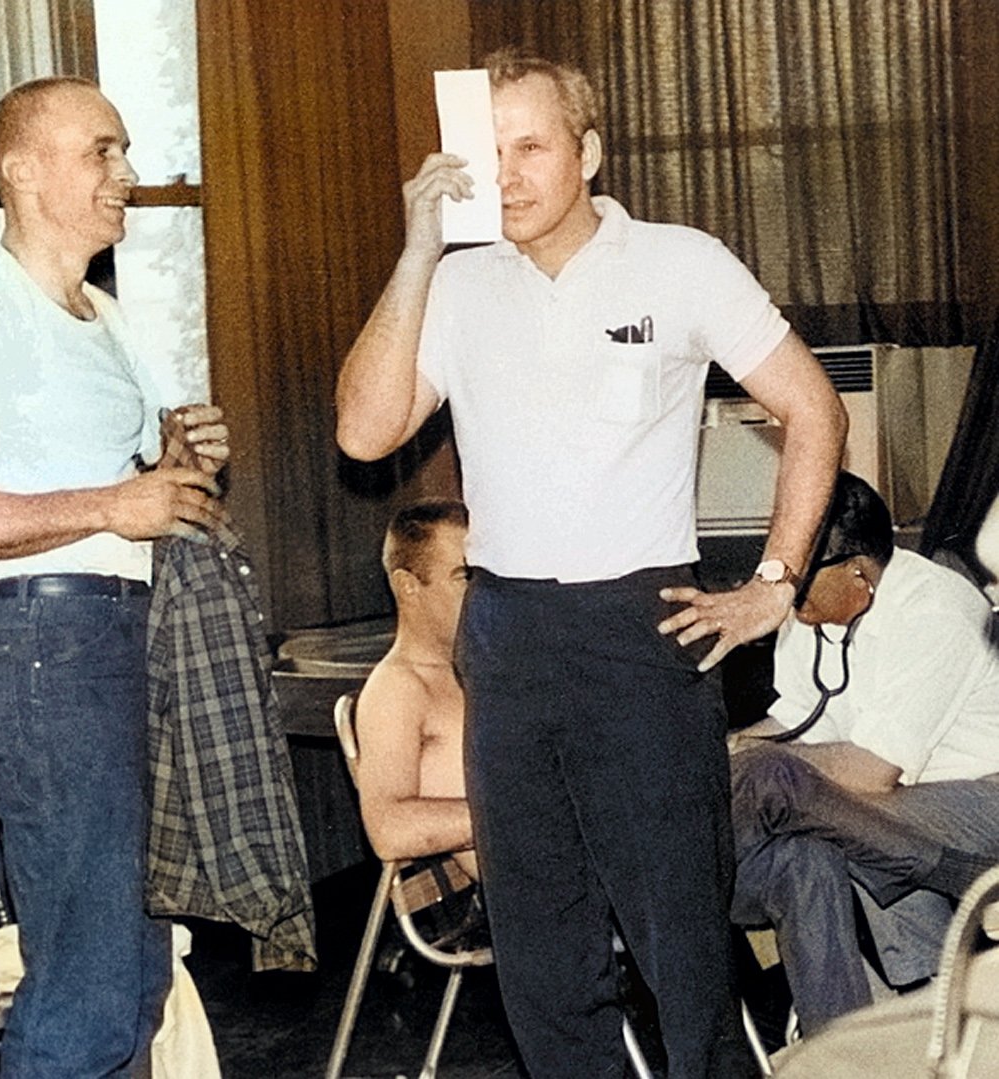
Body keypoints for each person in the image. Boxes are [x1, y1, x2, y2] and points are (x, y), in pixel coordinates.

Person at [335, 46, 848, 1077]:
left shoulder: (681, 261)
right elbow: (363, 430)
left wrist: (774, 586)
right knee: (543, 957)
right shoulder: (459, 285)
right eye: (490, 150)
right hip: (510, 635)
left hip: (640, 632)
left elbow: (814, 408)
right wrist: (414, 254)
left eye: (532, 146)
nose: (510, 173)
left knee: (683, 950)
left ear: (591, 153)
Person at [0, 76, 228, 1077]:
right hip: (49, 658)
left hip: (128, 646)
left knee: (134, 980)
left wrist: (176, 462)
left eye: (123, 152)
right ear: (20, 170)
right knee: (82, 989)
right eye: (102, 151)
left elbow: (131, 496)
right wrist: (111, 504)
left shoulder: (105, 319)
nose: (126, 174)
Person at [728, 471, 999, 1035]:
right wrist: (736, 746)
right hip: (896, 818)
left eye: (798, 581)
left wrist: (752, 767)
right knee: (803, 849)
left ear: (858, 572)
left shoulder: (936, 609)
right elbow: (799, 718)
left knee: (775, 779)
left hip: (982, 805)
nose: (784, 591)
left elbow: (873, 773)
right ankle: (850, 1041)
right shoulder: (813, 611)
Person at [355, 499, 476, 881]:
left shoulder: (482, 666)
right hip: (548, 891)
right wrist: (522, 811)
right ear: (408, 586)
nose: (481, 593)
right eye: (464, 577)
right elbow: (389, 830)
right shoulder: (400, 688)